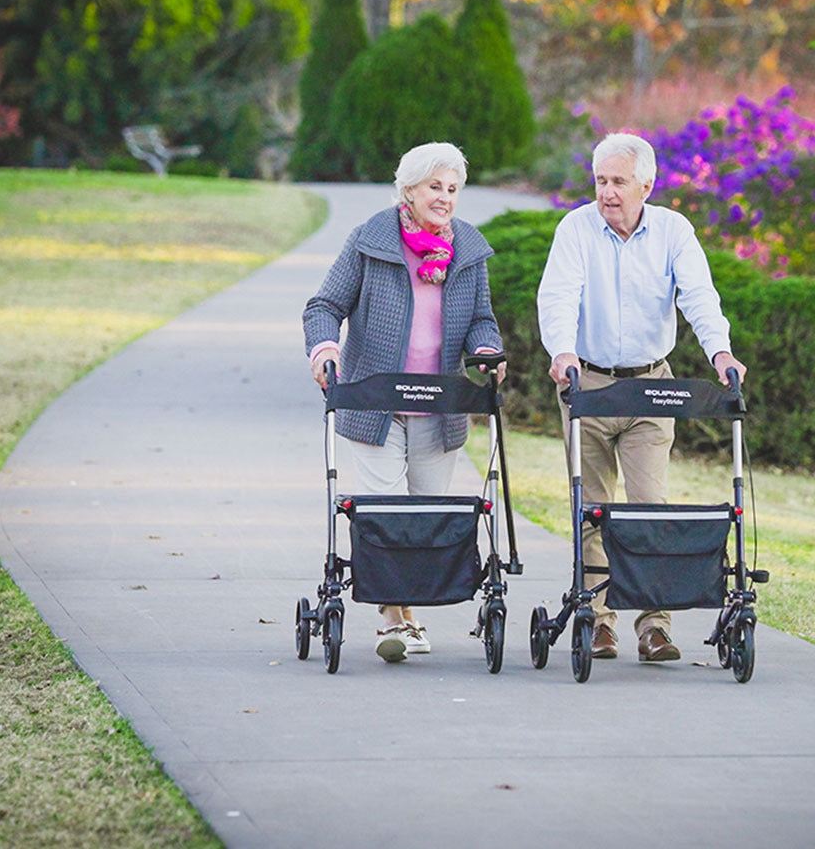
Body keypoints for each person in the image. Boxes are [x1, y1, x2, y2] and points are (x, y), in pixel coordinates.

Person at [536, 131, 746, 663]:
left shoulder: (674, 231)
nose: (607, 192)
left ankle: (655, 626)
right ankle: (599, 620)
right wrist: (561, 352)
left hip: (653, 384)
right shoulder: (576, 229)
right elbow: (558, 295)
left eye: (619, 182)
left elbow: (699, 295)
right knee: (592, 510)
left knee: (649, 508)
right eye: (601, 180)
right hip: (587, 383)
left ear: (647, 185)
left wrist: (720, 354)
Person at [303, 141, 505, 663]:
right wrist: (326, 349)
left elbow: (481, 318)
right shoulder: (371, 241)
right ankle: (395, 619)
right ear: (409, 190)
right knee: (389, 512)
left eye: (452, 189)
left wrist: (486, 349)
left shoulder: (468, 249)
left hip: (440, 407)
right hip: (375, 403)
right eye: (434, 187)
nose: (444, 198)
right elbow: (324, 305)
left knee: (427, 516)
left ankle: (409, 612)